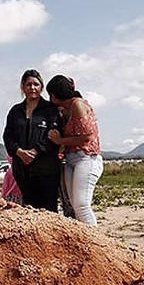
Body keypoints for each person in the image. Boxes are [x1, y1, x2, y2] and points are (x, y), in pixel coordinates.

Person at [2, 69, 63, 211]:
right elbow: (8, 136)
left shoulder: (50, 110)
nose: (32, 88)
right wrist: (19, 152)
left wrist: (35, 152)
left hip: (46, 169)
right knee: (29, 208)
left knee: (48, 210)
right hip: (22, 169)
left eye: (36, 84)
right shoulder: (15, 111)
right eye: (28, 84)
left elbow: (53, 135)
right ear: (23, 87)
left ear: (42, 87)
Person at [46, 75, 103, 226]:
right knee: (75, 205)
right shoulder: (66, 108)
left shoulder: (77, 104)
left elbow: (87, 137)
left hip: (86, 157)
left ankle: (94, 238)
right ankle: (87, 236)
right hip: (71, 158)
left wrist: (60, 141)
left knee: (82, 205)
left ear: (54, 96)